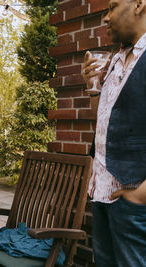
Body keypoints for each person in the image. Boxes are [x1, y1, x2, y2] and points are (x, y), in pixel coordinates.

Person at [81, 1, 146, 265]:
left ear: (139, 5)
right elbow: (107, 121)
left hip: (133, 200)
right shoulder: (116, 59)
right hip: (102, 192)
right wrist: (93, 88)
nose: (106, 18)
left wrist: (139, 196)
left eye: (112, 6)